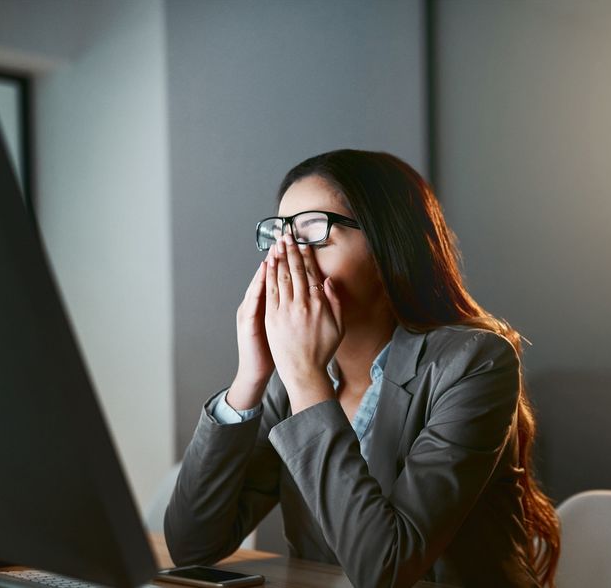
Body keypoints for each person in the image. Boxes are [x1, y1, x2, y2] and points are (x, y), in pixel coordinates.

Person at [165, 149, 560, 587]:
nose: (289, 259)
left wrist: (305, 379)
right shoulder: (292, 379)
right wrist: (251, 377)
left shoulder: (474, 362)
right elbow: (191, 548)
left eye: (314, 233)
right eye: (282, 236)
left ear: (388, 245)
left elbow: (385, 571)